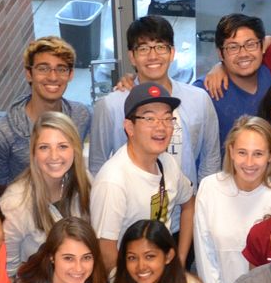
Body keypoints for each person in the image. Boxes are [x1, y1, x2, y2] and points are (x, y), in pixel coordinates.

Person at [89, 16, 221, 188]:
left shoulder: (199, 99)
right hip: (129, 210)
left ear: (172, 52)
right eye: (143, 48)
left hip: (184, 208)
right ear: (132, 57)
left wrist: (200, 202)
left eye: (160, 47)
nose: (153, 56)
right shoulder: (110, 106)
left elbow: (210, 159)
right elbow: (97, 165)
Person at [90, 82, 196, 272]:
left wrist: (179, 261)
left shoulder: (167, 163)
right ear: (129, 127)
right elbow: (106, 251)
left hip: (162, 273)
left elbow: (189, 204)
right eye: (149, 118)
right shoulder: (113, 181)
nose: (161, 127)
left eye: (167, 119)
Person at [194, 116, 271, 283]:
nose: (249, 162)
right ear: (231, 151)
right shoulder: (210, 187)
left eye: (258, 154)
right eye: (242, 152)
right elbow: (204, 251)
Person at [0, 36, 92, 193]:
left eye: (61, 69)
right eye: (43, 68)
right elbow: (3, 188)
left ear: (70, 75)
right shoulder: (0, 135)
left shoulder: (81, 115)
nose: (53, 77)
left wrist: (129, 82)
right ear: (29, 74)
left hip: (71, 209)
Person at [0, 111, 93, 276]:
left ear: (75, 149)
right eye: (44, 147)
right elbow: (8, 273)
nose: (54, 156)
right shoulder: (15, 203)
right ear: (34, 153)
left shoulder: (85, 182)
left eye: (62, 146)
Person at [194, 14, 271, 154]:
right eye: (233, 47)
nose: (243, 53)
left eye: (250, 44)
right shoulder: (204, 91)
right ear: (220, 53)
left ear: (262, 46)